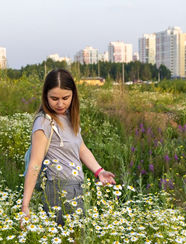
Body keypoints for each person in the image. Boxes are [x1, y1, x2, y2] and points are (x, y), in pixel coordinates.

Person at [21, 68, 116, 225]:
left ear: (73, 95)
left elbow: (81, 148)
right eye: (54, 98)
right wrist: (25, 205)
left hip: (76, 188)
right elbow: (35, 163)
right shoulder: (44, 122)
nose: (60, 104)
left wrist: (99, 171)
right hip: (58, 190)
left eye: (65, 98)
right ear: (45, 96)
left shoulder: (68, 117)